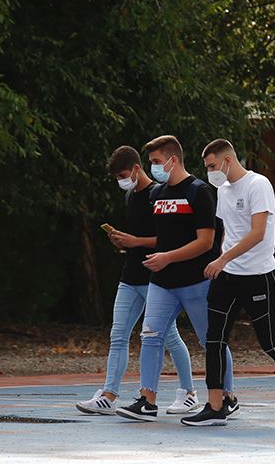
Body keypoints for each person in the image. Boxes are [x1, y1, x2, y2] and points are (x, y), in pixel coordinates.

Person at [183, 139, 275, 426]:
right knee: (214, 339)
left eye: (212, 166)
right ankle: (216, 406)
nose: (209, 172)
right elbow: (226, 232)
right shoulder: (223, 190)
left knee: (270, 342)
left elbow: (258, 233)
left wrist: (222, 259)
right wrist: (221, 259)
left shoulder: (259, 185)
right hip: (227, 278)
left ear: (228, 161)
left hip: (259, 277)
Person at [116, 136, 236, 421]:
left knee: (212, 340)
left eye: (157, 162)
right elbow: (163, 237)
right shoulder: (157, 194)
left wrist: (168, 256)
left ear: (173, 159)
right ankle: (147, 400)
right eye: (151, 162)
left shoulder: (198, 191)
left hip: (196, 280)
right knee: (151, 336)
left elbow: (206, 241)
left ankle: (227, 396)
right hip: (161, 282)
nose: (153, 167)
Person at [75, 146, 200, 415]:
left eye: (123, 174)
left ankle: (189, 391)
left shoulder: (159, 194)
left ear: (136, 168)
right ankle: (109, 394)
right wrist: (124, 241)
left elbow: (168, 237)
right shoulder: (131, 195)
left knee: (169, 337)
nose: (121, 180)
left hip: (154, 277)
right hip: (130, 275)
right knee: (118, 335)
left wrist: (135, 242)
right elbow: (140, 235)